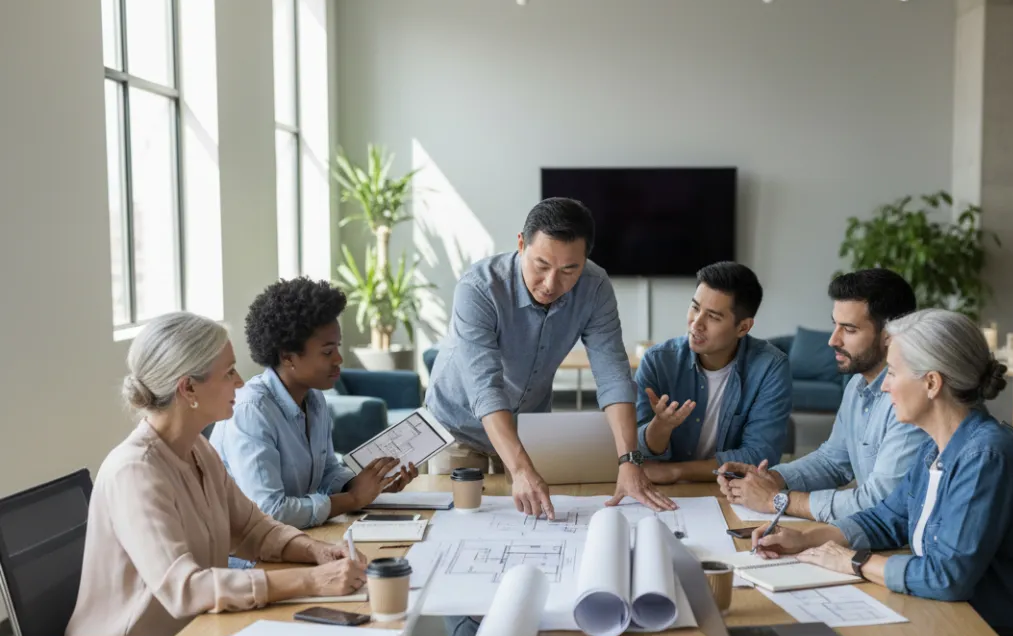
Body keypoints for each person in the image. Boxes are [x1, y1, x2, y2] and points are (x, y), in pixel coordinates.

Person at [749, 309, 1013, 636]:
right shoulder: (937, 445)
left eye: (893, 373)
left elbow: (947, 576)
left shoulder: (985, 457)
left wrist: (855, 562)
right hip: (966, 631)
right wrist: (808, 539)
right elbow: (889, 517)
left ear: (931, 383)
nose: (884, 386)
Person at [62, 313, 367, 636]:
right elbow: (185, 589)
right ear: (188, 388)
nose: (240, 382)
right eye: (228, 372)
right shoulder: (135, 471)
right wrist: (310, 581)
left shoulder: (197, 449)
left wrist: (314, 551)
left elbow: (253, 528)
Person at [425, 197, 675, 518]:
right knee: (459, 523)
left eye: (569, 269)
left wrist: (629, 461)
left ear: (585, 259)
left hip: (528, 428)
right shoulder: (479, 288)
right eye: (541, 265)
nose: (551, 284)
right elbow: (484, 388)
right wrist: (520, 470)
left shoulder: (595, 287)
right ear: (521, 244)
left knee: (534, 524)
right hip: (457, 427)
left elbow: (613, 375)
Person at [719, 269, 925, 521]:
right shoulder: (857, 385)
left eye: (849, 329)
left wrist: (776, 500)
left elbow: (880, 502)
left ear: (889, 337)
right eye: (835, 325)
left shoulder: (912, 398)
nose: (833, 340)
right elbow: (832, 461)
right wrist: (770, 478)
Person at [211, 278, 416, 529]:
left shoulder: (314, 399)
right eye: (327, 352)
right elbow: (270, 511)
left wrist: (371, 485)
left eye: (337, 347)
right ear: (288, 357)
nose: (339, 359)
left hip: (297, 536)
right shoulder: (252, 411)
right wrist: (352, 499)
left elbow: (327, 472)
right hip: (248, 548)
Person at [634, 261, 791, 484]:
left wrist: (677, 471)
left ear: (743, 327)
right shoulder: (657, 361)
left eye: (713, 317)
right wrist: (660, 428)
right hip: (664, 489)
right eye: (695, 308)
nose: (696, 324)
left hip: (731, 491)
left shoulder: (770, 368)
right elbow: (635, 453)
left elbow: (759, 455)